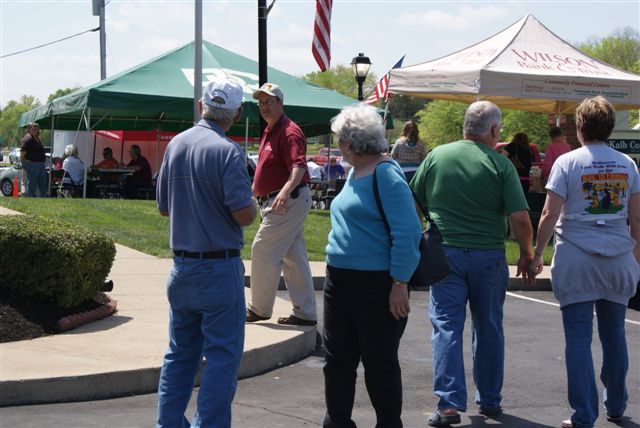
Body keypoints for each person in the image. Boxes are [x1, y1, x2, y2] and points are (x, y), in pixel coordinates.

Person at [410, 101, 535, 426]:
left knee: (446, 327)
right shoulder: (501, 164)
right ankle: (490, 400)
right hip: (489, 256)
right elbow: (521, 219)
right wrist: (527, 253)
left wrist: (420, 235)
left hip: (445, 253)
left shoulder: (437, 156)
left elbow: (413, 202)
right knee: (489, 327)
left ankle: (448, 405)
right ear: (493, 129)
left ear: (465, 126)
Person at [529, 96, 640, 428]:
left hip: (577, 256)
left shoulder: (567, 162)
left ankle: (584, 415)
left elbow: (549, 213)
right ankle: (616, 404)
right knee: (614, 335)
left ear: (579, 126)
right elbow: (636, 217)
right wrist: (635, 258)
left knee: (578, 339)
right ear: (609, 127)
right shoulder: (628, 164)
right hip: (617, 256)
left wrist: (538, 253)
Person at [155, 76, 256, 428]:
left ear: (202, 105)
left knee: (179, 355)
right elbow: (243, 214)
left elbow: (164, 208)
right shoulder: (229, 151)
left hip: (182, 266)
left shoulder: (176, 144)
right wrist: (254, 204)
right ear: (237, 114)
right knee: (221, 359)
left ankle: (168, 423)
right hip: (218, 267)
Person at [323, 103, 421, 428]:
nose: (338, 145)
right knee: (338, 362)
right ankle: (337, 422)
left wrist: (399, 283)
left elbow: (408, 233)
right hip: (340, 281)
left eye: (339, 139)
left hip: (376, 285)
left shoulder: (386, 174)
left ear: (350, 143)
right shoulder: (356, 170)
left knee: (379, 365)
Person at [246, 82, 317, 326]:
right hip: (281, 201)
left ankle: (259, 308)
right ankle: (305, 313)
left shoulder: (289, 131)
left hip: (287, 201)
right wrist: (254, 192)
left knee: (262, 249)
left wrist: (285, 192)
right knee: (293, 256)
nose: (264, 106)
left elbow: (299, 166)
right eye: (261, 102)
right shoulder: (271, 130)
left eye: (269, 101)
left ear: (280, 103)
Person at [20, 122, 48, 197]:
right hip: (33, 164)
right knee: (32, 183)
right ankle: (31, 198)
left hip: (40, 164)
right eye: (33, 129)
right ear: (29, 130)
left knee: (42, 183)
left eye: (36, 129)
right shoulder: (28, 138)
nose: (35, 130)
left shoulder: (37, 138)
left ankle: (43, 198)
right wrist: (25, 160)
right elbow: (23, 151)